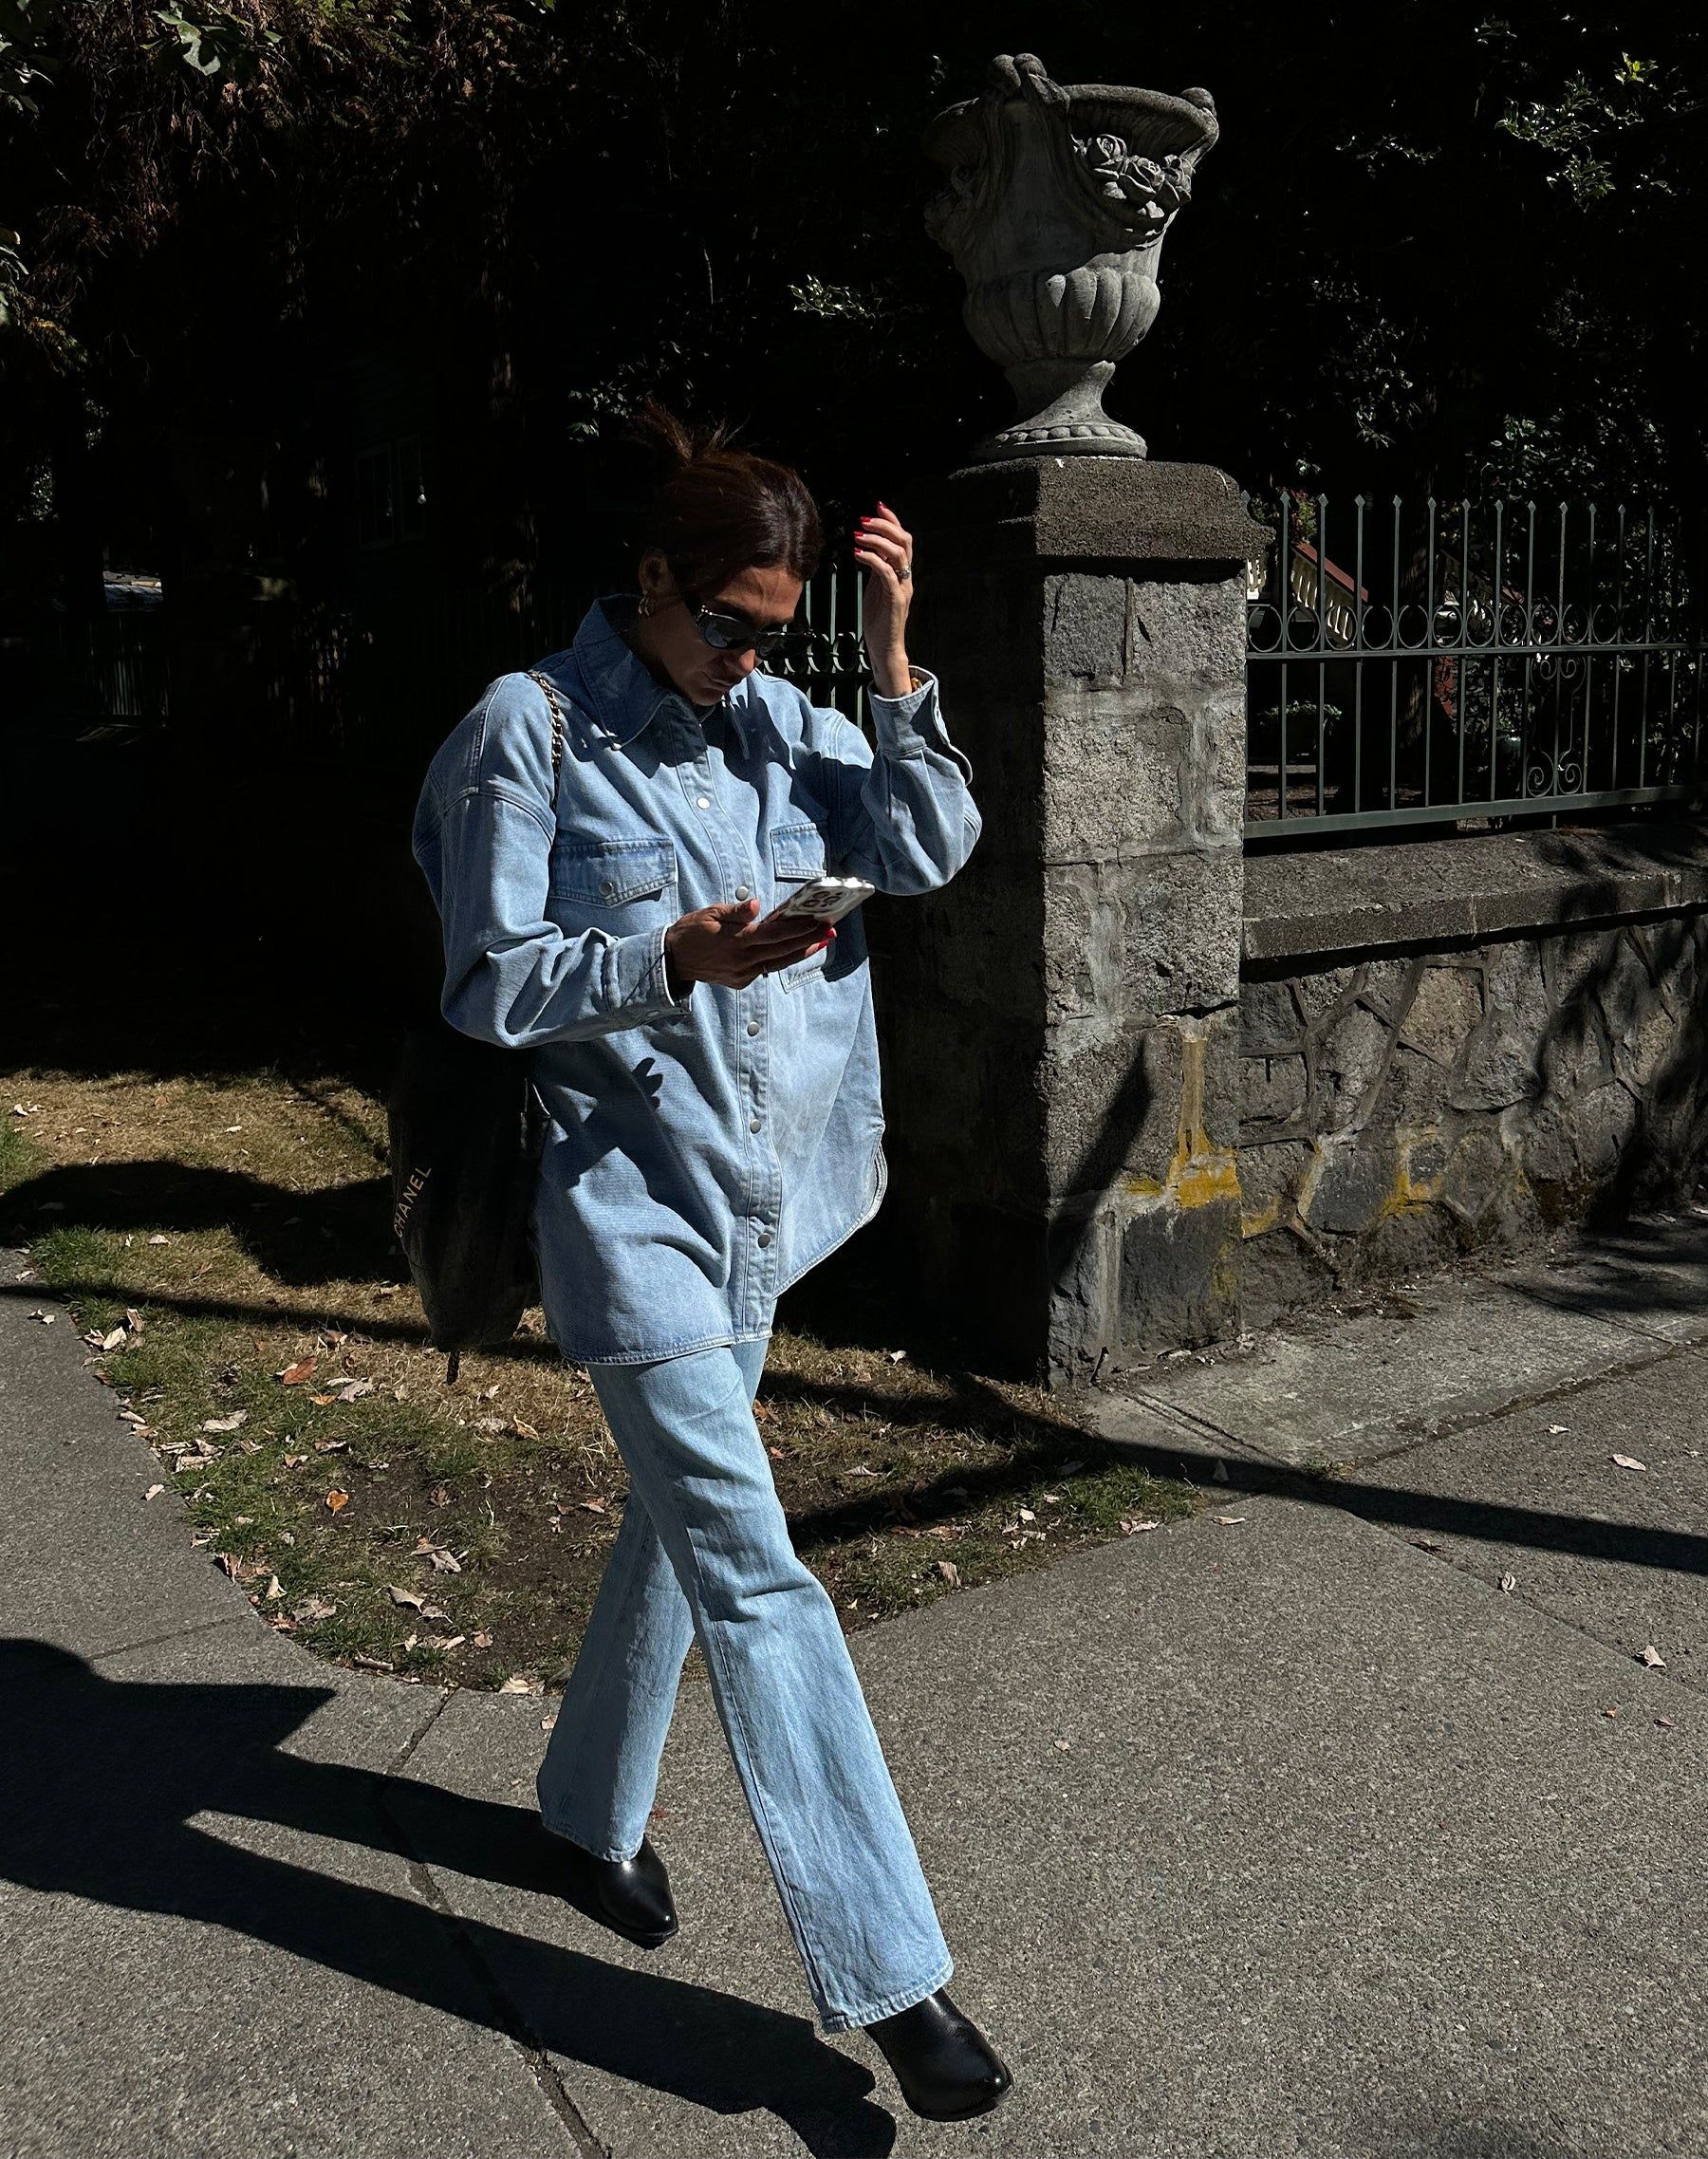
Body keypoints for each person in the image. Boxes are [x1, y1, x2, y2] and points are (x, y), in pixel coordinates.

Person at [409, 401, 1010, 2122]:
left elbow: (930, 850)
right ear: (652, 577)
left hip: (776, 1198)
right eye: (725, 622)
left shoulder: (777, 718)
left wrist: (891, 665)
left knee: (683, 1524)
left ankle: (581, 1817)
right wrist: (671, 951)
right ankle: (899, 1983)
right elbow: (487, 981)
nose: (747, 659)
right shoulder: (524, 734)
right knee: (754, 1567)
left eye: (778, 627)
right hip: (630, 1214)